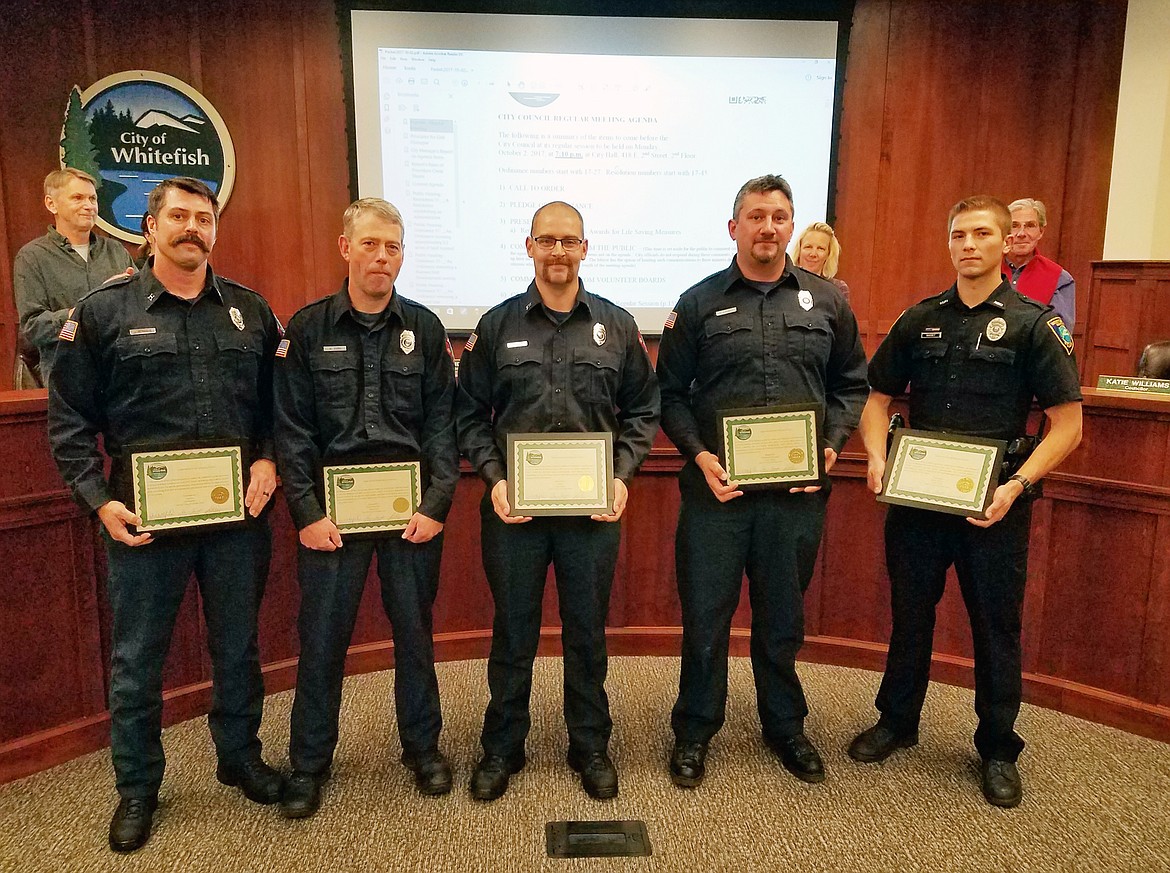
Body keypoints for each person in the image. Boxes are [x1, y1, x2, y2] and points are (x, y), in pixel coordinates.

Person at [47, 177, 283, 852]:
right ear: (149, 229)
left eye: (202, 218)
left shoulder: (249, 311)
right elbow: (68, 422)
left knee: (237, 645)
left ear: (215, 229)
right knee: (138, 658)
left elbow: (279, 409)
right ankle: (138, 786)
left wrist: (267, 460)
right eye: (177, 216)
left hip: (237, 516)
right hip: (143, 521)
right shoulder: (102, 312)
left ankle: (239, 757)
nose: (191, 227)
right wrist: (99, 500)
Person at [849, 195, 1083, 809]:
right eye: (958, 235)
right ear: (949, 244)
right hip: (919, 500)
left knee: (995, 627)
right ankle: (898, 721)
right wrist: (876, 457)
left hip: (995, 504)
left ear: (1006, 244)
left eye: (982, 234)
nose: (969, 244)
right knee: (910, 614)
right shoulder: (920, 318)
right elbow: (876, 399)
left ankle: (999, 746)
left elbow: (1067, 426)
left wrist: (1017, 486)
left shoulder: (1035, 325)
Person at [656, 175, 867, 789]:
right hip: (716, 498)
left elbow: (851, 385)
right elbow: (669, 395)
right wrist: (698, 456)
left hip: (796, 499)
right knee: (706, 619)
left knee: (783, 619)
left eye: (779, 217)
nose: (768, 227)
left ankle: (785, 725)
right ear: (734, 228)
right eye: (755, 216)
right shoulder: (697, 304)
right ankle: (695, 729)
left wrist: (829, 449)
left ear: (791, 225)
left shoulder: (827, 303)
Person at [455, 201, 659, 801]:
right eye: (548, 240)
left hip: (592, 513)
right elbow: (469, 414)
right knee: (513, 631)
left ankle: (590, 744)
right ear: (529, 246)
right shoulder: (496, 327)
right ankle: (502, 746)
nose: (559, 252)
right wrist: (494, 479)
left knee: (586, 632)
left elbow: (643, 411)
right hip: (514, 512)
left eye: (570, 241)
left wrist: (621, 476)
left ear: (585, 249)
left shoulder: (618, 327)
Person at [273, 198, 459, 818]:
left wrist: (436, 503)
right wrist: (304, 513)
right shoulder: (306, 329)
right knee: (322, 642)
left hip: (411, 516)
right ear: (345, 247)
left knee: (414, 636)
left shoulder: (426, 330)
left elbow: (442, 426)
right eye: (372, 244)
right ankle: (308, 764)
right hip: (332, 518)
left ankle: (423, 749)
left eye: (394, 246)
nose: (383, 256)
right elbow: (292, 430)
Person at [13, 168, 134, 385]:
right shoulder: (32, 257)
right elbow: (33, 327)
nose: (89, 206)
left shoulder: (116, 252)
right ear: (52, 204)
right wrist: (84, 314)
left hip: (122, 377)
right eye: (78, 198)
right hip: (69, 382)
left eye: (93, 198)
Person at [1002, 198, 1075, 330]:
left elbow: (1058, 338)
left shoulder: (1060, 279)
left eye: (1030, 225)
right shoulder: (985, 270)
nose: (1021, 234)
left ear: (1041, 231)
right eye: (1014, 226)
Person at [792, 221, 850, 301]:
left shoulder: (838, 288)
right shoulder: (785, 283)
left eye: (820, 248)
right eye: (808, 247)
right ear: (799, 250)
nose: (813, 254)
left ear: (829, 254)